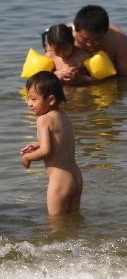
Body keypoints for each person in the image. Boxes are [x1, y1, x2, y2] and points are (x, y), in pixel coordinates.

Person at [20, 71, 83, 215]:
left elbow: (46, 151)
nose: (28, 103)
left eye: (33, 99)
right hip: (76, 177)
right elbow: (61, 143)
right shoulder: (62, 116)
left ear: (51, 100)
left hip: (60, 181)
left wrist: (27, 157)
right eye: (27, 98)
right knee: (73, 220)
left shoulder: (43, 119)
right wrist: (37, 144)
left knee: (56, 225)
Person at [43, 5, 127, 81]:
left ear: (106, 32)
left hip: (101, 84)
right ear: (74, 31)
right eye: (85, 39)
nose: (90, 44)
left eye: (97, 40)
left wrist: (83, 80)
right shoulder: (61, 37)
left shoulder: (118, 41)